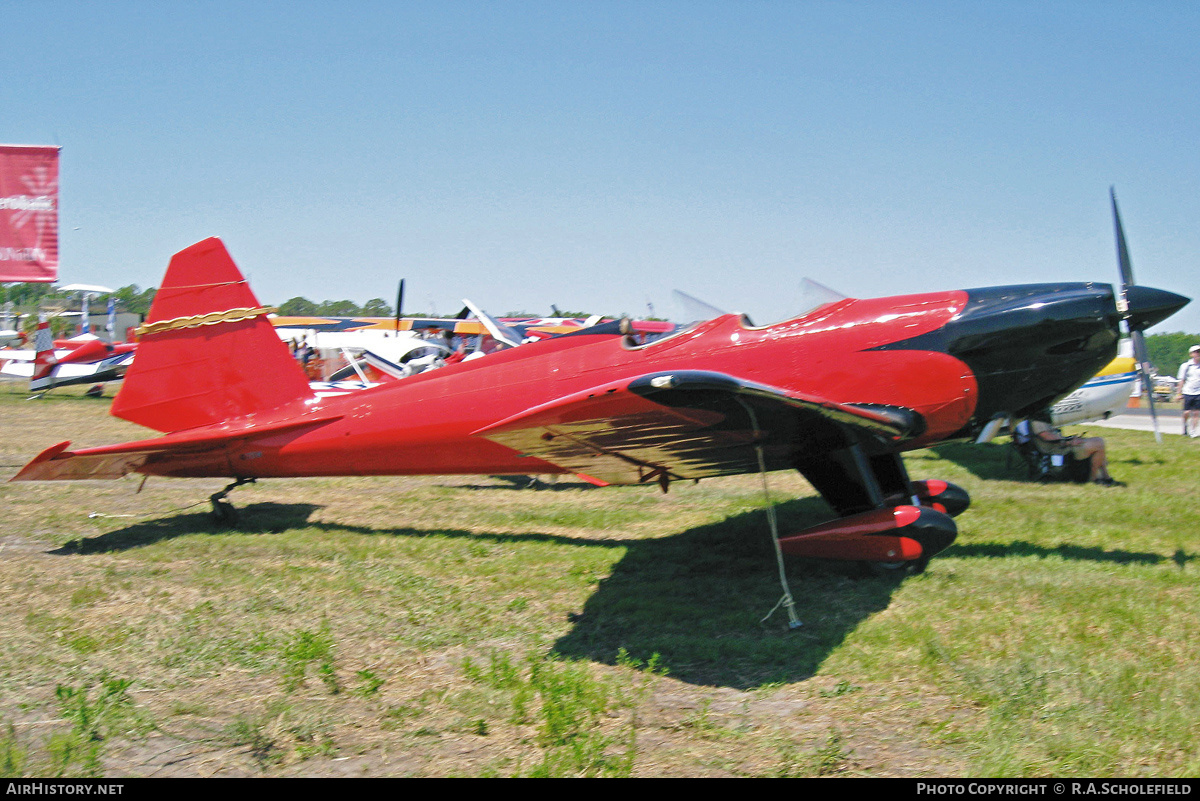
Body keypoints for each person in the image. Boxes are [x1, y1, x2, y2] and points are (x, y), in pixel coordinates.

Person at [1022, 418, 1118, 486]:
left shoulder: (1041, 417)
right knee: (1098, 444)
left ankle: (1105, 477)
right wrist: (1069, 442)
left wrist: (1069, 439)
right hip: (1057, 450)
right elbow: (1046, 436)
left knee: (1098, 442)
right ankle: (1094, 479)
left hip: (1060, 446)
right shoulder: (1037, 419)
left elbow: (1052, 436)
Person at [1175, 345, 1200, 438]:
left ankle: (1193, 431)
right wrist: (1179, 393)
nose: (1198, 354)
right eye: (1196, 352)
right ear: (1191, 354)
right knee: (1186, 412)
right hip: (1188, 391)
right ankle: (1185, 426)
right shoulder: (1186, 366)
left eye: (1199, 352)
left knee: (1197, 413)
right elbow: (1181, 380)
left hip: (1198, 392)